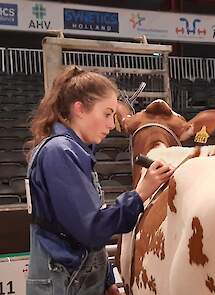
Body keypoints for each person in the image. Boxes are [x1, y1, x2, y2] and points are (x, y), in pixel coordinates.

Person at [25, 65, 174, 295]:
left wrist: (105, 281)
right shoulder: (59, 152)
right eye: (106, 114)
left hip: (76, 281)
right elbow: (91, 229)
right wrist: (140, 194)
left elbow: (78, 229)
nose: (112, 125)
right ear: (79, 109)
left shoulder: (74, 151)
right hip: (63, 285)